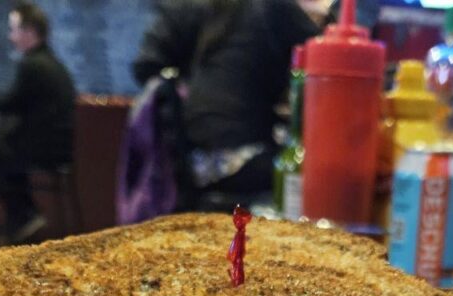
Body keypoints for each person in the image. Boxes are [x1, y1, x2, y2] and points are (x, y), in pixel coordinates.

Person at [133, 0, 318, 210]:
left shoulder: (189, 7)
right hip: (241, 161)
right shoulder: (272, 6)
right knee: (310, 172)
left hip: (188, 164)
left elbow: (145, 65)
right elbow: (322, 57)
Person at [0, 3, 76, 242]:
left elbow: (11, 101)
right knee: (2, 157)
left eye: (14, 29)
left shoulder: (32, 65)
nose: (10, 37)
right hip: (56, 147)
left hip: (40, 149)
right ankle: (24, 216)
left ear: (29, 31)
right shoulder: (53, 63)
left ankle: (23, 215)